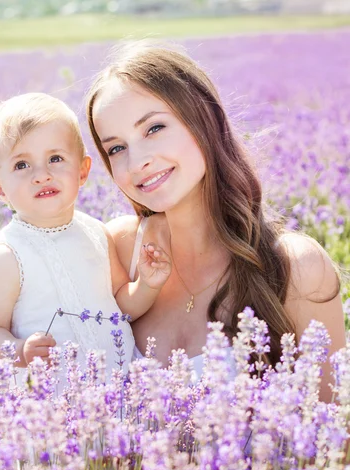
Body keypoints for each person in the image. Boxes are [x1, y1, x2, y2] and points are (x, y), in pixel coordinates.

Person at [86, 40, 346, 400]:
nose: (136, 162)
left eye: (154, 128)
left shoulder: (295, 267)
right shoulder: (117, 249)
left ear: (204, 119)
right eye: (116, 148)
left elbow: (332, 433)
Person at [0, 92, 171, 379]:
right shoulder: (9, 255)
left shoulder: (96, 233)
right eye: (22, 165)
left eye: (55, 158)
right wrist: (20, 351)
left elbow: (120, 305)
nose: (41, 175)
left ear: (82, 171)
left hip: (118, 388)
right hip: (53, 401)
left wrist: (147, 286)